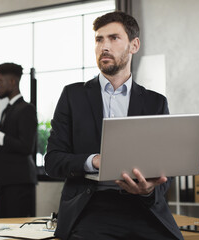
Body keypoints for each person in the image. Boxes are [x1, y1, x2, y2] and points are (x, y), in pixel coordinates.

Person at [44, 11, 183, 240]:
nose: (104, 46)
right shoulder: (72, 95)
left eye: (113, 38)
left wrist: (148, 190)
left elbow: (165, 170)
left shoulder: (156, 102)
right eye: (99, 39)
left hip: (143, 208)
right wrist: (93, 161)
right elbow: (53, 161)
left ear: (134, 45)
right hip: (92, 209)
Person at [0, 62, 38, 218]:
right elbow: (9, 138)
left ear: (12, 82)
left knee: (17, 231)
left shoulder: (27, 109)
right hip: (6, 182)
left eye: (0, 80)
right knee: (4, 229)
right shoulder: (8, 109)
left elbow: (26, 146)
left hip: (19, 183)